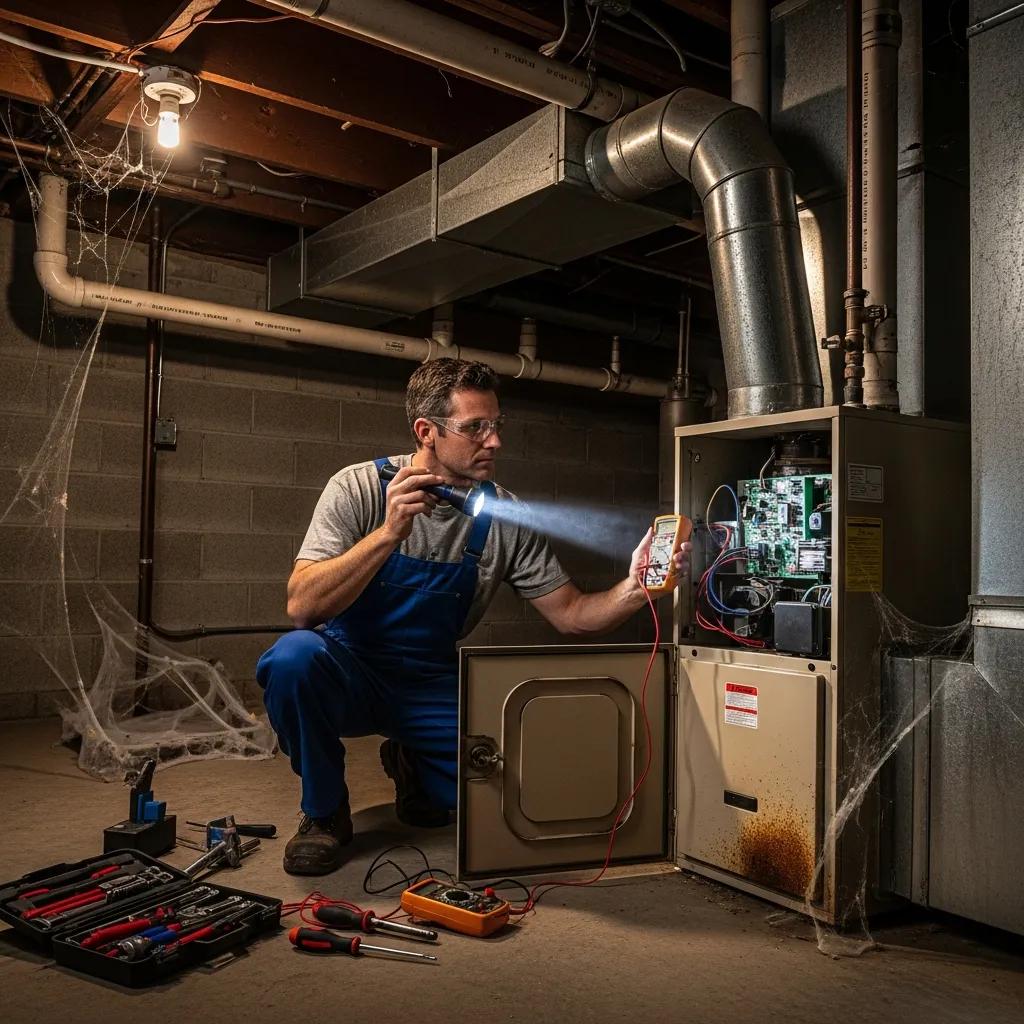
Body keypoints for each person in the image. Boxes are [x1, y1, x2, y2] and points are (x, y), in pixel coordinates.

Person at [256, 358, 690, 875]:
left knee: (516, 790)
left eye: (496, 425)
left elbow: (573, 615)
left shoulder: (504, 515)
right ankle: (325, 811)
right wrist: (388, 533)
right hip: (348, 672)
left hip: (430, 681)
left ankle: (414, 765)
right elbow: (302, 606)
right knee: (293, 659)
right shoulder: (358, 489)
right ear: (427, 432)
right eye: (475, 428)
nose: (494, 441)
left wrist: (637, 588)